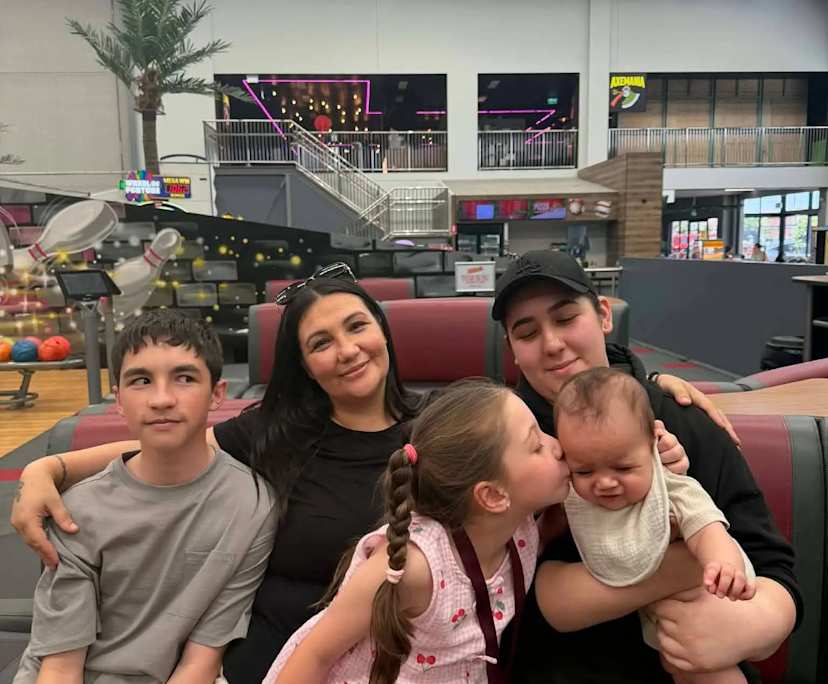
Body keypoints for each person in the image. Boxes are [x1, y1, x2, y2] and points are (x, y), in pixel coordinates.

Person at [10, 262, 730, 683]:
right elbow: (168, 443)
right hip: (281, 659)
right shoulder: (274, 432)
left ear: (383, 333)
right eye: (320, 342)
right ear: (303, 363)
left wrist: (653, 389)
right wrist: (55, 466)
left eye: (357, 327)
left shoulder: (449, 426)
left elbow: (566, 422)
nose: (346, 350)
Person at [491, 250, 801, 683]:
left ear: (603, 315)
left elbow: (771, 564)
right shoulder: (502, 444)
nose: (552, 343)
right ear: (511, 350)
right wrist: (678, 566)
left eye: (566, 318)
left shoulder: (680, 418)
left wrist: (753, 625)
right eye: (527, 333)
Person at [13, 309, 277, 684]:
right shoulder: (77, 511)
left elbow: (200, 662)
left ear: (217, 394)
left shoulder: (252, 504)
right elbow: (60, 668)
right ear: (118, 399)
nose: (162, 399)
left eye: (184, 378)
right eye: (141, 381)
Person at [263, 379, 571, 684]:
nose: (557, 446)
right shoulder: (413, 565)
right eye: (537, 445)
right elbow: (316, 654)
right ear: (492, 495)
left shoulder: (521, 530)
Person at [555, 368, 756, 684]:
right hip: (660, 625)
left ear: (652, 445)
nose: (605, 482)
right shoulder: (574, 497)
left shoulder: (671, 488)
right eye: (584, 472)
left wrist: (722, 563)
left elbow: (705, 526)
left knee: (708, 671)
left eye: (623, 468)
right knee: (677, 662)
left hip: (709, 607)